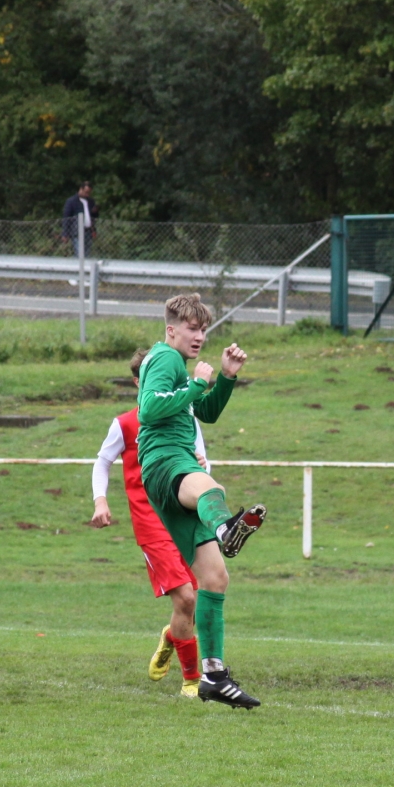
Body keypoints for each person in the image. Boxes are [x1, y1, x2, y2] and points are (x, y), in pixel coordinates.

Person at [136, 294, 264, 707]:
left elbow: (203, 412)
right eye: (192, 328)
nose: (199, 336)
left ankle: (214, 676)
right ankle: (226, 528)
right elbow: (147, 409)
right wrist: (196, 383)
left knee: (214, 578)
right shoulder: (164, 357)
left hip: (173, 465)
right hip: (165, 460)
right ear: (171, 329)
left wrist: (225, 377)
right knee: (213, 490)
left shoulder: (178, 363)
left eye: (203, 329)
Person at [91, 347, 208, 697]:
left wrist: (201, 465)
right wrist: (100, 500)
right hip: (151, 524)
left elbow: (203, 464)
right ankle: (192, 681)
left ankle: (172, 635)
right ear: (137, 382)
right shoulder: (126, 423)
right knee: (185, 598)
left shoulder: (186, 417)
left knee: (193, 600)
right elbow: (102, 461)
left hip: (182, 518)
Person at [61, 180, 96, 253]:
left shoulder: (91, 201)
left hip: (88, 232)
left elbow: (93, 217)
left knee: (87, 254)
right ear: (81, 189)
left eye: (89, 193)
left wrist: (93, 230)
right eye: (86, 192)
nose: (87, 195)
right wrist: (65, 233)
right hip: (77, 232)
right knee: (80, 253)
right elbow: (66, 217)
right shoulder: (71, 201)